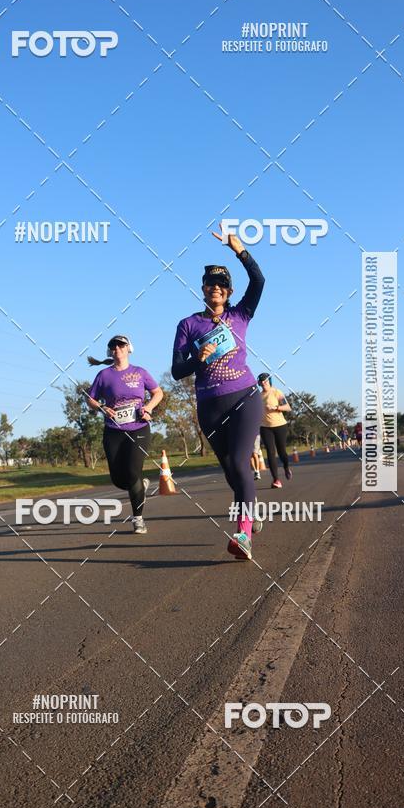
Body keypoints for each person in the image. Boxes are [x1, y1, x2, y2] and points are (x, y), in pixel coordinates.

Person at [172, 230, 265, 561]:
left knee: (241, 463)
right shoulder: (188, 325)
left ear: (228, 292)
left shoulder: (239, 315)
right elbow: (177, 370)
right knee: (231, 471)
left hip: (244, 397)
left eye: (220, 284)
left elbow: (259, 280)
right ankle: (251, 512)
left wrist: (239, 249)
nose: (214, 288)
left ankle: (243, 534)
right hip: (209, 406)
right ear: (202, 290)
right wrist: (198, 358)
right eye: (209, 283)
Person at [86, 335, 163, 533]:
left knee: (132, 472)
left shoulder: (140, 372)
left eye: (121, 345)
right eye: (113, 346)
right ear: (110, 351)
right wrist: (102, 407)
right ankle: (140, 487)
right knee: (118, 479)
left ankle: (138, 518)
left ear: (129, 348)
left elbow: (158, 393)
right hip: (113, 431)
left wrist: (148, 408)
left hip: (138, 428)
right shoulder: (104, 375)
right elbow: (91, 400)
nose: (117, 348)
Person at [258, 373, 292, 488]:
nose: (264, 383)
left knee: (282, 451)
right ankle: (276, 480)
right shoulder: (258, 396)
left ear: (270, 381)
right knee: (270, 453)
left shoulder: (277, 392)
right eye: (262, 382)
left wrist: (276, 408)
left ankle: (286, 467)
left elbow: (288, 407)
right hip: (265, 427)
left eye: (266, 381)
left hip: (280, 425)